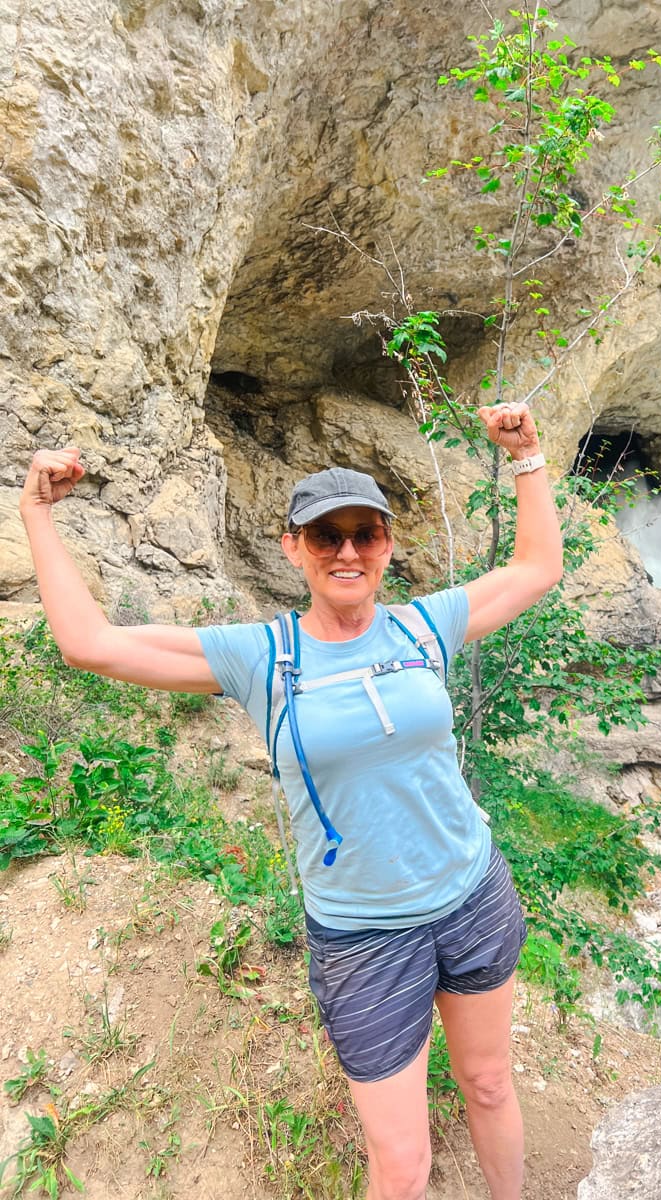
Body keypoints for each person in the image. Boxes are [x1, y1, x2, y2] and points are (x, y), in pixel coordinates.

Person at [18, 400, 562, 1200]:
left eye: (364, 534)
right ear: (294, 549)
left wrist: (528, 456)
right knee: (403, 1166)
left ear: (386, 545)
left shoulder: (423, 629)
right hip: (365, 938)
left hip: (472, 894)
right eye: (325, 536)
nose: (347, 551)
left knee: (489, 1085)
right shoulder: (261, 656)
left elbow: (535, 569)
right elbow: (90, 644)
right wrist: (35, 512)